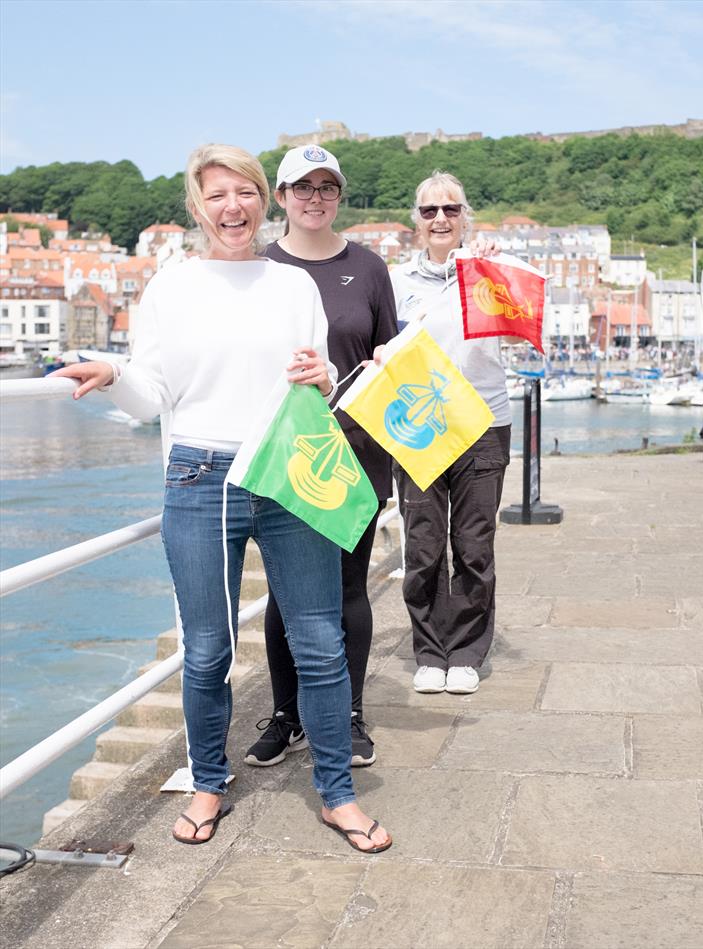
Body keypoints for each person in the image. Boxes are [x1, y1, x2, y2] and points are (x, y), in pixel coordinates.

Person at [53, 144, 391, 853]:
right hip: (201, 477)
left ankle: (337, 793)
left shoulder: (293, 285)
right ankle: (209, 781)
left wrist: (321, 374)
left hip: (289, 467)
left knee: (321, 643)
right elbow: (152, 396)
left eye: (244, 192)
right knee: (207, 650)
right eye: (217, 196)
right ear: (197, 207)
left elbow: (316, 381)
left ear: (264, 200)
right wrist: (114, 371)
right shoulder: (172, 287)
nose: (232, 207)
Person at [244, 144, 397, 770]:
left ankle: (349, 712)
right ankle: (288, 714)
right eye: (301, 187)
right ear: (280, 197)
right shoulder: (257, 269)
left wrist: (390, 360)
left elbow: (391, 354)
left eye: (326, 187)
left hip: (357, 452)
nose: (314, 198)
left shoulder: (367, 268)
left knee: (347, 586)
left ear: (339, 196)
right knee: (286, 593)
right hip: (287, 451)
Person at [387, 171, 511, 695]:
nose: (440, 218)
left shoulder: (490, 271)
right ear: (417, 220)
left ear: (466, 218)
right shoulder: (395, 282)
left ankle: (465, 651)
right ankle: (429, 649)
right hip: (419, 424)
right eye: (430, 211)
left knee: (474, 544)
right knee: (423, 544)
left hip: (483, 420)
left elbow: (519, 327)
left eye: (451, 209)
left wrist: (489, 269)